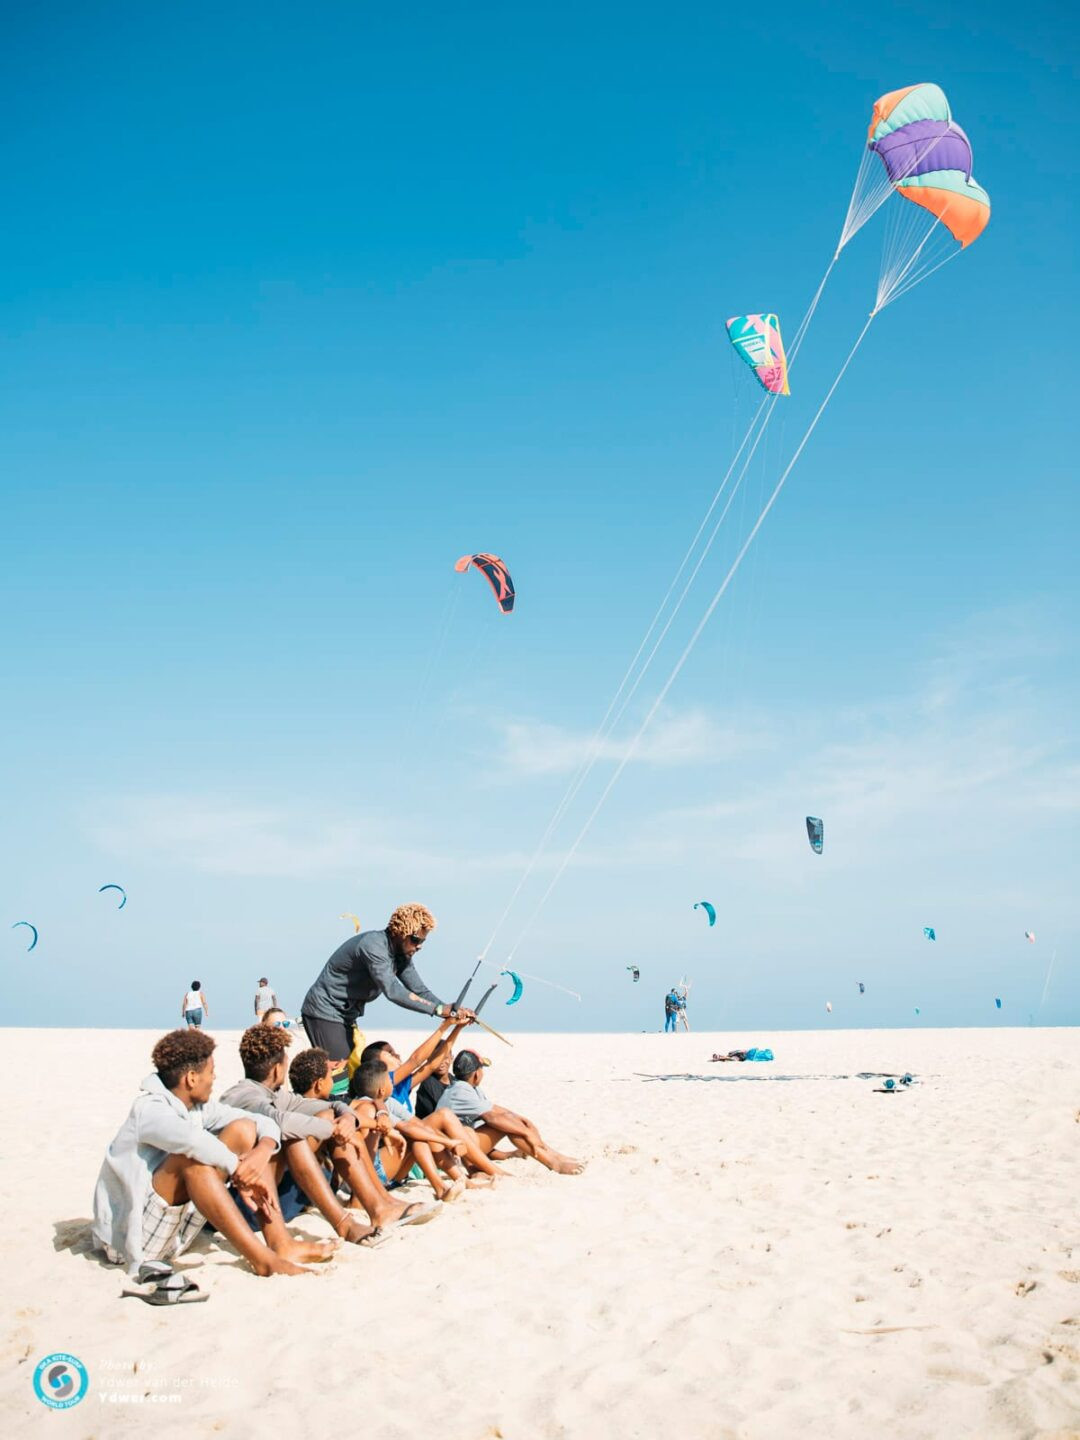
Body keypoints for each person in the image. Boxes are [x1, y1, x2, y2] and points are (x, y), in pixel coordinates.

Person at [92, 1028, 334, 1278]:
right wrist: (239, 1170)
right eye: (211, 1072)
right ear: (191, 1079)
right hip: (131, 1240)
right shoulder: (150, 1110)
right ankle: (264, 1261)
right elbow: (192, 1141)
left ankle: (281, 1244)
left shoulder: (198, 1108)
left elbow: (261, 1122)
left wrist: (262, 1150)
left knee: (243, 1129)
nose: (215, 1078)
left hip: (176, 1231)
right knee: (192, 1160)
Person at [221, 1026, 435, 1241]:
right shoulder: (243, 1096)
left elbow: (330, 1107)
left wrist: (349, 1120)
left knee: (327, 1116)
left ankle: (380, 1207)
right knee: (299, 1136)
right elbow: (280, 1121)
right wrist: (336, 1129)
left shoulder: (274, 1094)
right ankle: (351, 1222)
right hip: (243, 1206)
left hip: (272, 1197)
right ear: (277, 1069)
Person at [286, 1045, 440, 1230]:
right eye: (330, 1074)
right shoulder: (309, 1107)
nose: (334, 1074)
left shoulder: (329, 1100)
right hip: (306, 1190)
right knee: (343, 1128)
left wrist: (382, 1117)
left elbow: (371, 1101)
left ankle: (384, 1200)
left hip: (325, 1183)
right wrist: (381, 1125)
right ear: (319, 1083)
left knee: (358, 1116)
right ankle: (377, 1203)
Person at [300, 902, 474, 1062]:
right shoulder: (373, 946)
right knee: (339, 1080)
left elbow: (419, 991)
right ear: (399, 932)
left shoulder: (401, 954)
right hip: (324, 1011)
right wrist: (438, 1010)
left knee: (352, 1078)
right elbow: (392, 990)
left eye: (423, 941)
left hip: (346, 1016)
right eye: (415, 940)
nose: (419, 946)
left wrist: (452, 1010)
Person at [363, 1029, 503, 1184]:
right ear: (377, 1065)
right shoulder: (377, 1095)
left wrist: (456, 1028)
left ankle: (467, 1176)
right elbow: (417, 1060)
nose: (397, 1055)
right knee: (437, 1121)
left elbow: (430, 1066)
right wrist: (447, 1024)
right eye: (390, 1053)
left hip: (405, 1155)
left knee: (434, 1129)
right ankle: (483, 1172)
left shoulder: (397, 1090)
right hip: (388, 1162)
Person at [437, 1050, 585, 1176]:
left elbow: (497, 1110)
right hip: (451, 1152)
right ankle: (553, 1162)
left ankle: (555, 1156)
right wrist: (527, 1133)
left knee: (509, 1122)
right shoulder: (460, 1091)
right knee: (504, 1125)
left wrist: (522, 1120)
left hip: (461, 1146)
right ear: (476, 1073)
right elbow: (492, 1117)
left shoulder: (469, 1088)